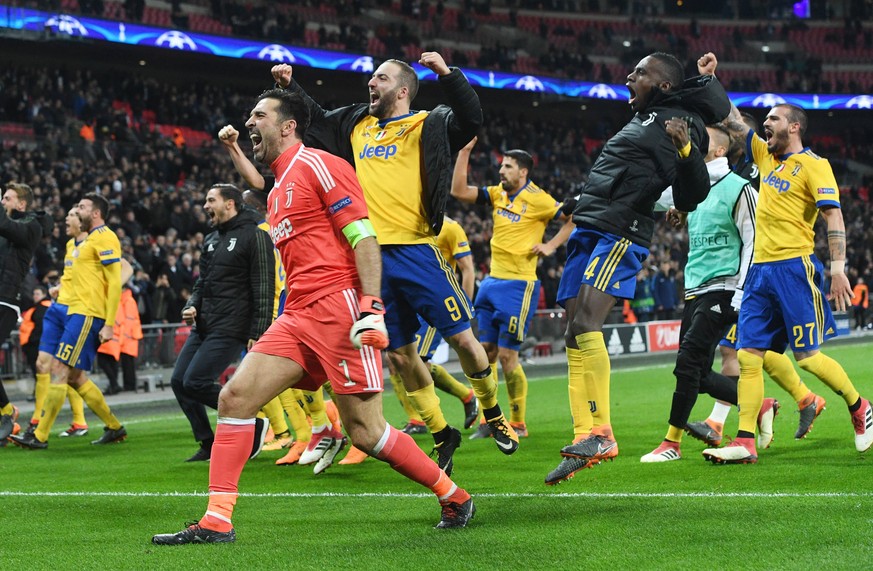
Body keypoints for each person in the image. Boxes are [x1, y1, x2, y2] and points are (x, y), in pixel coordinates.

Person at [152, 89, 473, 545]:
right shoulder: (279, 186)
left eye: (258, 114)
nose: (249, 123)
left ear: (288, 126)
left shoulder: (317, 165)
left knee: (366, 432)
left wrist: (371, 307)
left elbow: (364, 237)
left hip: (338, 310)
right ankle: (217, 520)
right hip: (297, 313)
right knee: (234, 398)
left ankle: (453, 494)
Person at [271, 53, 518, 469]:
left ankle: (492, 410)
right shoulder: (356, 125)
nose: (371, 83)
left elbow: (471, 119)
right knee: (402, 356)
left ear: (402, 90)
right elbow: (318, 119)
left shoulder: (428, 123)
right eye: (370, 77)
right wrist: (291, 89)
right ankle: (442, 432)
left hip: (417, 250)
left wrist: (447, 75)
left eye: (380, 78)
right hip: (369, 259)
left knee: (463, 341)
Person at [545, 51, 731, 485]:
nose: (629, 76)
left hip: (620, 230)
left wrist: (686, 149)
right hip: (591, 223)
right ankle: (583, 435)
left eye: (640, 72)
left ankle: (603, 433)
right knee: (573, 331)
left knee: (586, 324)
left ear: (664, 85)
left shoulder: (684, 126)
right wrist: (579, 201)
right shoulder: (646, 117)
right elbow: (616, 170)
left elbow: (692, 194)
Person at [700, 52, 873, 463]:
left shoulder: (814, 166)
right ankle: (743, 442)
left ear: (794, 126)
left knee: (808, 357)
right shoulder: (764, 157)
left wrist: (836, 269)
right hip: (758, 270)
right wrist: (710, 80)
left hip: (794, 268)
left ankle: (859, 406)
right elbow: (732, 120)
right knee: (747, 355)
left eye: (774, 120)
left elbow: (833, 215)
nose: (767, 125)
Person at [640, 124, 776, 462]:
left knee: (686, 364)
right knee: (698, 374)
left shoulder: (740, 188)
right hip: (694, 288)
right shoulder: (690, 189)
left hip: (725, 288)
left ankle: (671, 443)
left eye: (704, 140)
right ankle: (759, 405)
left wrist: (743, 291)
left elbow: (754, 242)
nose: (696, 142)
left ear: (719, 151)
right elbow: (653, 198)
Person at [452, 138, 574, 438]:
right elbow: (458, 191)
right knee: (486, 353)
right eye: (501, 166)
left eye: (507, 167)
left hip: (519, 285)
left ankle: (518, 422)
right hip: (491, 282)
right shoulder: (496, 194)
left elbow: (572, 219)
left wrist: (550, 245)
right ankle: (489, 420)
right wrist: (464, 152)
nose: (501, 171)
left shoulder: (539, 199)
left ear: (523, 172)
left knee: (508, 357)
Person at [11, 194, 128, 449]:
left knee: (59, 370)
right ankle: (114, 427)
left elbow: (117, 281)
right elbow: (82, 278)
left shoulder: (106, 237)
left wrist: (109, 323)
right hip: (73, 311)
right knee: (74, 376)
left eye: (82, 207)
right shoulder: (84, 243)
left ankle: (39, 435)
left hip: (87, 314)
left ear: (95, 213)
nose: (76, 211)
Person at [169, 184, 275, 463]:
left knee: (196, 381)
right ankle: (207, 441)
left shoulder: (256, 233)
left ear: (230, 204)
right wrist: (192, 304)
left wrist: (259, 330)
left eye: (210, 200)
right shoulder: (212, 238)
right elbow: (202, 282)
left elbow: (263, 284)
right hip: (205, 322)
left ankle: (250, 421)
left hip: (233, 324)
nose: (205, 206)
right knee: (179, 381)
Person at [0, 183, 52, 441]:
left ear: (21, 204)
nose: (3, 202)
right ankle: (7, 413)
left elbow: (9, 228)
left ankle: (7, 414)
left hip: (7, 300)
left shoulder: (31, 227)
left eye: (6, 198)